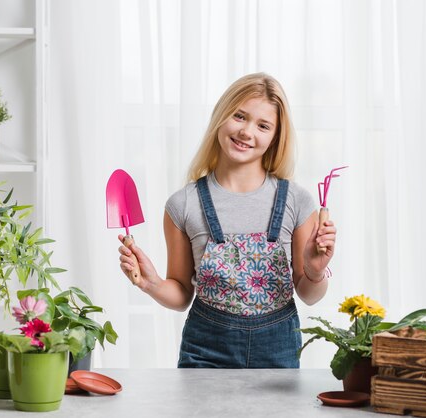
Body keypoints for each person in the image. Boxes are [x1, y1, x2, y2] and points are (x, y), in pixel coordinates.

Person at [118, 72, 337, 368]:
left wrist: (314, 271)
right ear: (221, 116)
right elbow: (181, 294)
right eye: (239, 116)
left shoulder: (297, 201)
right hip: (206, 350)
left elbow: (310, 296)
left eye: (263, 125)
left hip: (278, 351)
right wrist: (151, 283)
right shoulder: (183, 204)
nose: (247, 132)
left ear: (275, 137)